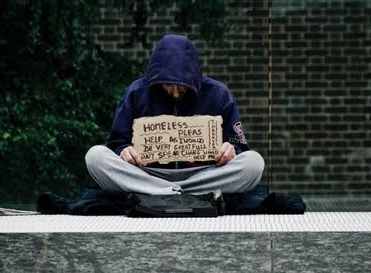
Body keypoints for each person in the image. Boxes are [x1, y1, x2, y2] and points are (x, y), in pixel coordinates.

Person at [85, 34, 264, 196]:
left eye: (183, 87)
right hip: (147, 175)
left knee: (253, 163)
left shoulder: (218, 94)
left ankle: (167, 193)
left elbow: (239, 147)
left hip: (204, 175)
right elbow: (116, 143)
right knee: (95, 156)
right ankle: (170, 191)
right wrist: (123, 151)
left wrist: (231, 150)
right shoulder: (136, 93)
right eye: (169, 85)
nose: (176, 93)